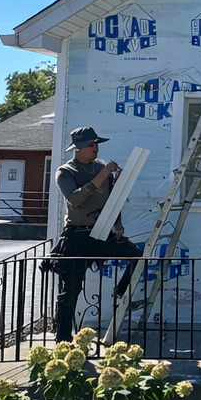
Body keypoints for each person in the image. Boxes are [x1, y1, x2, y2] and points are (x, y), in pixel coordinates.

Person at [51, 126, 143, 341]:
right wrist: (103, 175)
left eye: (96, 144)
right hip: (77, 235)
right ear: (78, 148)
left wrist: (117, 225)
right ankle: (63, 339)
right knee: (71, 290)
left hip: (102, 231)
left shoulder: (100, 167)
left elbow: (114, 200)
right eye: (91, 145)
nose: (96, 148)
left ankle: (120, 290)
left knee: (137, 256)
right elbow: (74, 199)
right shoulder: (66, 171)